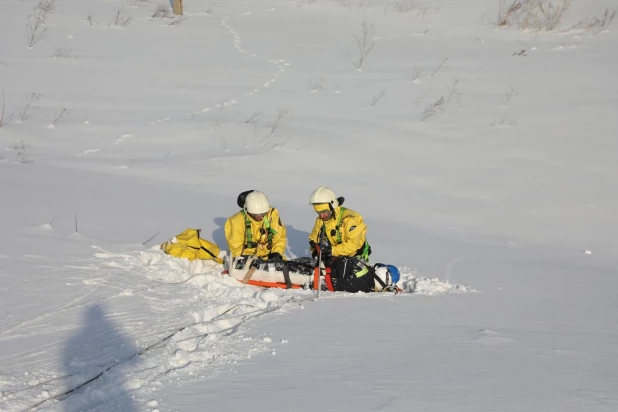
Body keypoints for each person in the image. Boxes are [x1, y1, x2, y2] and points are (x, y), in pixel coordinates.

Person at [308, 186, 371, 263]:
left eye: (324, 212)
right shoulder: (321, 220)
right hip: (336, 255)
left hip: (355, 257)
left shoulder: (350, 219)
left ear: (332, 206)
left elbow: (353, 245)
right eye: (318, 213)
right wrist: (315, 249)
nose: (321, 216)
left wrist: (331, 250)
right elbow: (315, 237)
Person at [224, 190, 287, 261]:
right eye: (259, 215)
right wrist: (248, 260)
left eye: (265, 213)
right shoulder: (236, 221)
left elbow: (279, 239)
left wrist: (277, 253)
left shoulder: (272, 215)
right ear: (249, 212)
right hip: (248, 259)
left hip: (270, 258)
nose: (262, 217)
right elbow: (236, 248)